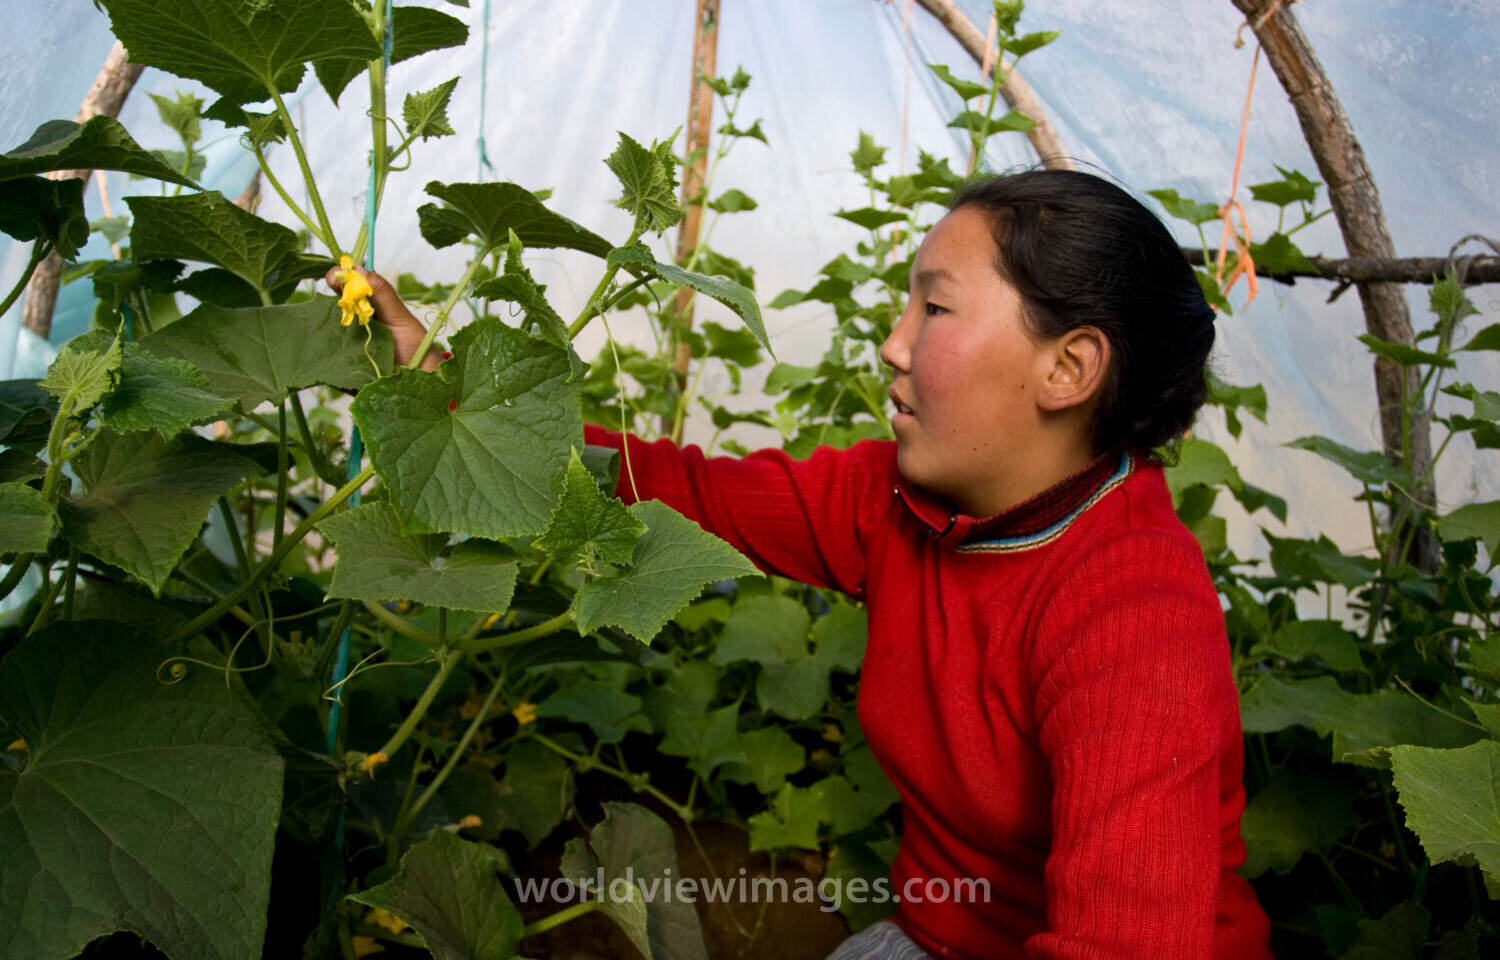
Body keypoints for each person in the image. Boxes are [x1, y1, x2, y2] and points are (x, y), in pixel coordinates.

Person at [336, 168, 1273, 960]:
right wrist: (461, 407)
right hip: (934, 935)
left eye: (935, 307)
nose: (894, 343)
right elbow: (680, 493)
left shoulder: (1136, 606)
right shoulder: (895, 503)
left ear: (1069, 370)